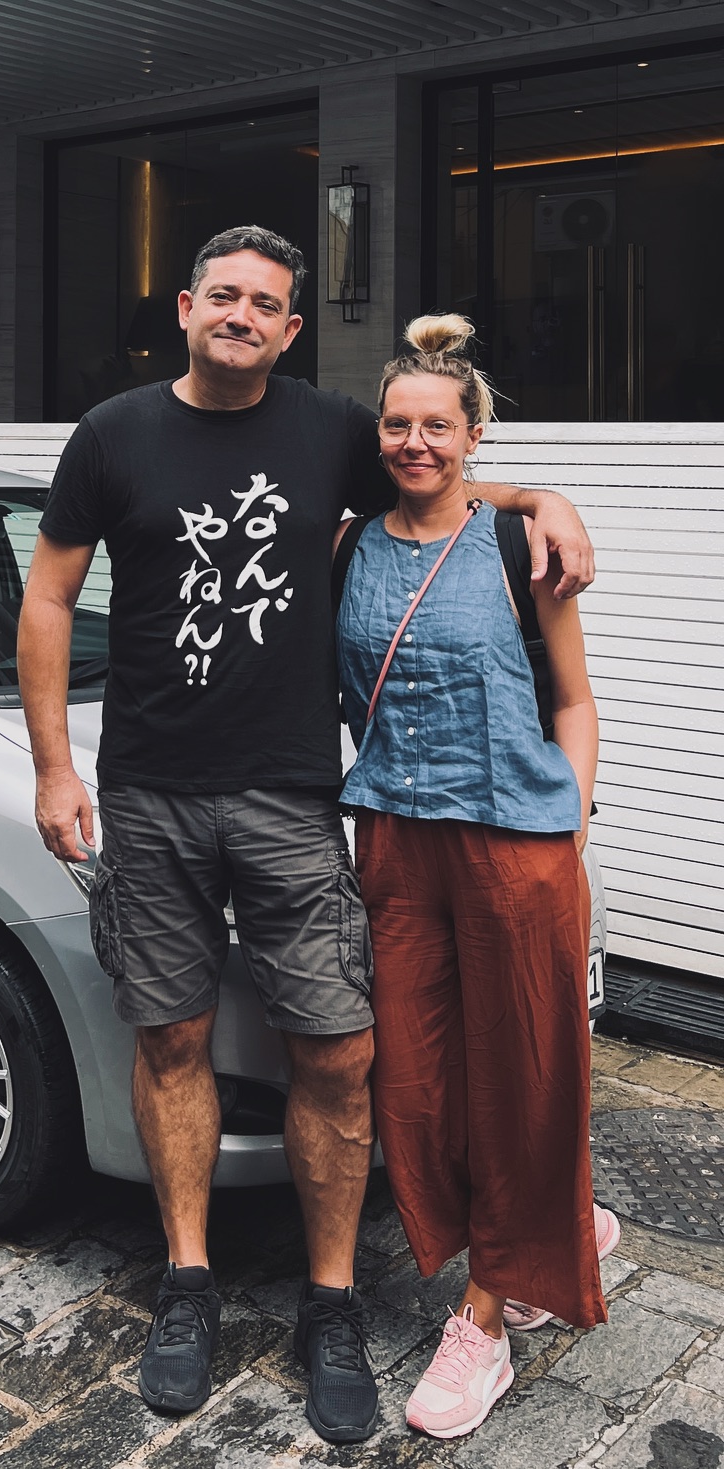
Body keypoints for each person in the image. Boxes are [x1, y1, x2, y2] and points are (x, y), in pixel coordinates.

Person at [17, 224, 596, 1443]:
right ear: (186, 306)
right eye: (220, 293)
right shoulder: (112, 433)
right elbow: (50, 594)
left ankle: (329, 1300)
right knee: (168, 1033)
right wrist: (57, 763)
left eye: (264, 302)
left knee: (339, 1051)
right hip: (151, 792)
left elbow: (435, 475)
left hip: (291, 799)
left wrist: (544, 494)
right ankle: (188, 1281)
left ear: (290, 328)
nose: (240, 313)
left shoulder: (333, 428)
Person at [335, 314, 614, 1441]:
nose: (414, 442)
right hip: (397, 842)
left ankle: (488, 1316)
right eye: (398, 424)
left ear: (473, 432)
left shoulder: (520, 550)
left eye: (436, 425)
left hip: (515, 845)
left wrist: (571, 824)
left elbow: (575, 701)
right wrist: (529, 488)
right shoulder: (348, 543)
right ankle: (552, 1222)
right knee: (414, 1081)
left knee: (523, 1077)